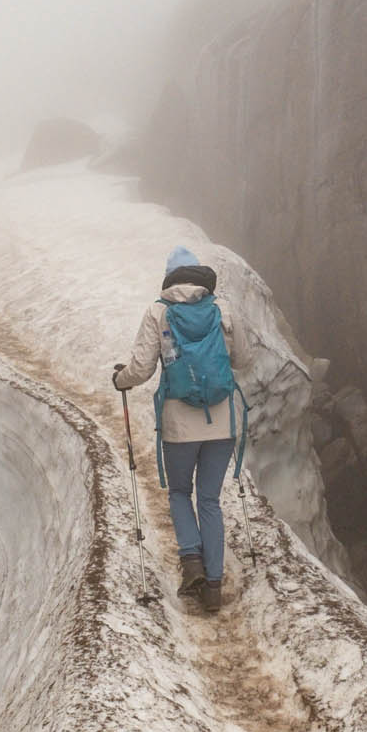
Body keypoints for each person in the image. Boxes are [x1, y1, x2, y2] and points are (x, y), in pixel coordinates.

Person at [112, 246, 248, 611]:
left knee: (178, 493)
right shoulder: (222, 310)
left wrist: (120, 381)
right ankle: (214, 587)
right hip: (221, 423)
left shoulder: (160, 312)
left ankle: (192, 563)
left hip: (178, 424)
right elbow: (243, 360)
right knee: (209, 500)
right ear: (201, 276)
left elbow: (141, 368)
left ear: (171, 277)